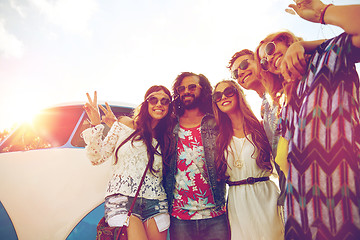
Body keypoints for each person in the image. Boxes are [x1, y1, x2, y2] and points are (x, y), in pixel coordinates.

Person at [258, 1, 360, 239]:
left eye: (271, 49)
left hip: (345, 205)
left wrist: (321, 13)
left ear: (287, 41)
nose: (269, 60)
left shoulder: (331, 55)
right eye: (264, 61)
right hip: (301, 214)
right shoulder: (286, 105)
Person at [81, 86, 174, 240]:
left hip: (156, 203)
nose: (159, 104)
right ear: (146, 103)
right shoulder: (124, 124)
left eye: (164, 101)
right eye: (154, 99)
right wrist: (96, 125)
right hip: (122, 201)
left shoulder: (168, 137)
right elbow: (97, 157)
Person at [212, 79, 284, 239]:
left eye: (228, 92)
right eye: (217, 95)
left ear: (238, 94)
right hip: (237, 200)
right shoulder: (218, 136)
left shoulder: (261, 127)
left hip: (265, 196)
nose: (223, 97)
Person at [163, 72, 229, 240]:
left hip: (215, 214)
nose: (186, 91)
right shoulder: (170, 124)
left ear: (204, 89)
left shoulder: (215, 121)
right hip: (180, 216)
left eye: (192, 87)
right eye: (182, 88)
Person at [228, 49, 287, 209]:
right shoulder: (264, 108)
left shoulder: (288, 89)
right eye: (235, 73)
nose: (240, 72)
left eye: (245, 64)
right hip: (289, 194)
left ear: (260, 61)